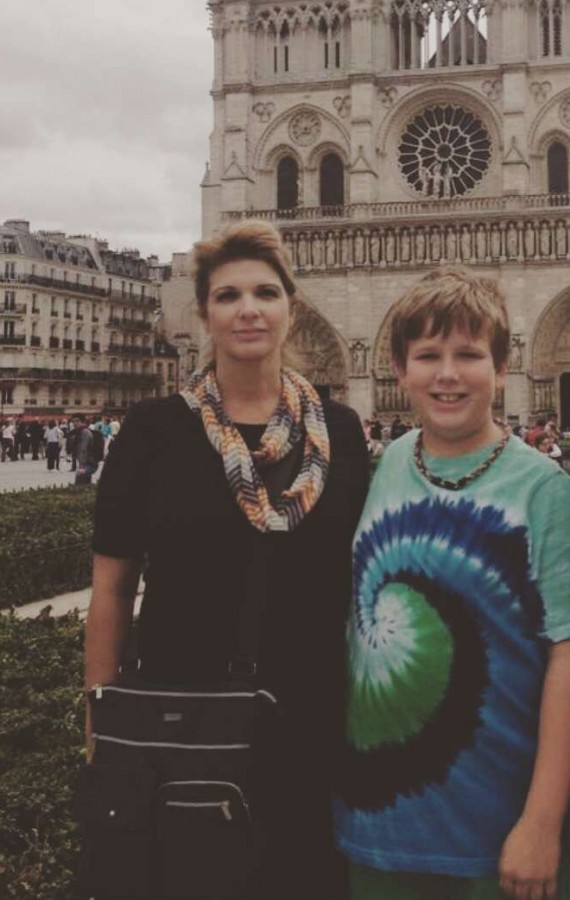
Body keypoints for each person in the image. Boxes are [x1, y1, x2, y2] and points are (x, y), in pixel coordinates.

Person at [84, 221, 369, 897]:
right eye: (229, 295)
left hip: (311, 714)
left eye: (266, 293)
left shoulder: (342, 432)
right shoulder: (153, 431)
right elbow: (112, 591)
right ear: (204, 312)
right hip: (184, 709)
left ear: (290, 308)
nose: (249, 308)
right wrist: (102, 721)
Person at [335, 267, 570, 900]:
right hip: (374, 819)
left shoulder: (544, 490)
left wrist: (541, 823)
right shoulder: (389, 462)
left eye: (469, 355)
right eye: (428, 356)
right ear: (398, 369)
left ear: (503, 368)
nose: (447, 374)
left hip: (494, 831)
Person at [72, 415, 96, 484]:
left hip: (87, 462)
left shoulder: (85, 432)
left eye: (77, 421)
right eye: (73, 421)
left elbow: (83, 448)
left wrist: (82, 465)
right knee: (86, 483)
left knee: (79, 481)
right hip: (85, 462)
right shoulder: (80, 432)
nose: (74, 423)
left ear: (82, 422)